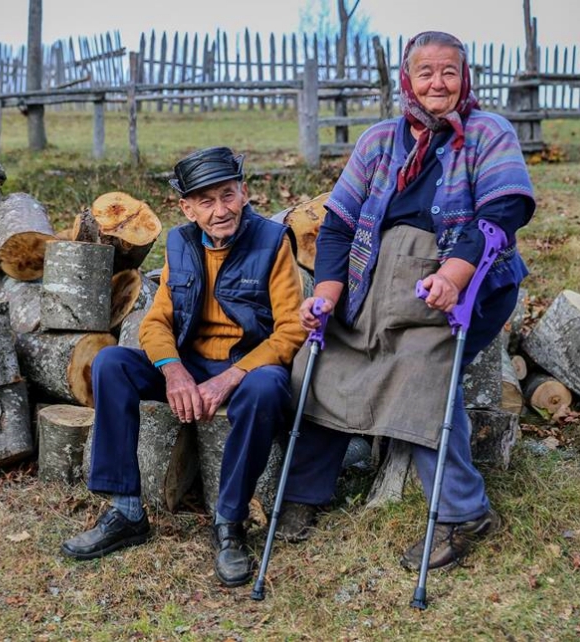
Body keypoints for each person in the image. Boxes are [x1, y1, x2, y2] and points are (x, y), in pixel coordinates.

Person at [282, 31, 535, 570]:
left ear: (465, 78)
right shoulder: (380, 140)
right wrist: (326, 294)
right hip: (372, 284)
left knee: (423, 377)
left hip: (461, 287)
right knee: (317, 364)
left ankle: (461, 513)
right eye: (426, 72)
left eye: (449, 71)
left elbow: (502, 213)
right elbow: (338, 224)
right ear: (407, 80)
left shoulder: (488, 132)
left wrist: (455, 274)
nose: (437, 83)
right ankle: (303, 493)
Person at [60, 146, 307, 587]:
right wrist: (174, 371)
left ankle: (229, 523)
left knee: (268, 387)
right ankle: (126, 511)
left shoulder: (273, 241)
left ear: (244, 193)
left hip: (247, 366)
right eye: (206, 201)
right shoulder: (181, 243)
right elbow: (156, 322)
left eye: (227, 195)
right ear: (187, 208)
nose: (220, 210)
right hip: (191, 363)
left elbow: (290, 329)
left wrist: (230, 378)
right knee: (111, 362)